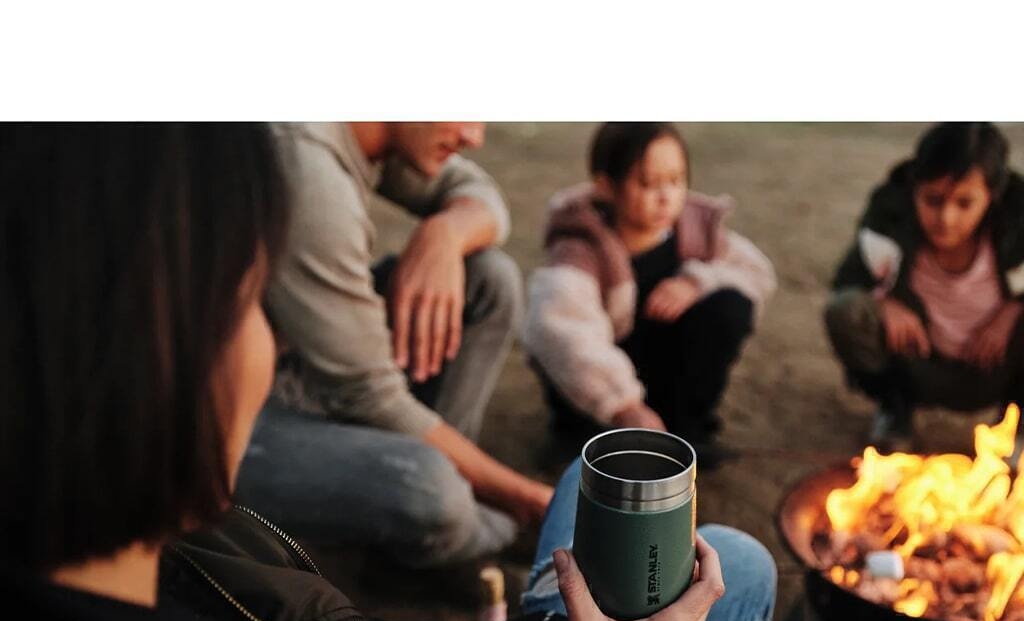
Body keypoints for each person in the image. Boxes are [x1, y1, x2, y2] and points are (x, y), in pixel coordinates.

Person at [0, 123, 776, 621]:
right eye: (252, 302)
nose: (474, 131)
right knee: (731, 564)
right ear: (150, 353)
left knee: (608, 488)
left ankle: (567, 614)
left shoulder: (192, 560)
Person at [234, 122, 553, 569]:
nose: (474, 136)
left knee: (488, 278)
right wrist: (527, 500)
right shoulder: (305, 166)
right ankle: (487, 534)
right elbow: (368, 395)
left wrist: (444, 234)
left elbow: (480, 194)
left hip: (296, 366)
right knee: (429, 487)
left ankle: (446, 520)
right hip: (216, 421)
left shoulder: (368, 131)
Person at [523, 122, 776, 468]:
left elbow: (756, 271)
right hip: (602, 386)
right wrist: (624, 406)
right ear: (606, 186)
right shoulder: (581, 248)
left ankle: (684, 433)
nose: (666, 196)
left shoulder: (695, 232)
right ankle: (584, 438)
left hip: (661, 371)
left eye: (676, 180)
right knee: (572, 364)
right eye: (647, 183)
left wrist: (695, 282)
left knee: (728, 305)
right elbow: (563, 332)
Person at [826, 122, 1024, 453]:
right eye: (933, 200)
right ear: (914, 188)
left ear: (992, 197)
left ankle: (1016, 427)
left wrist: (1014, 309)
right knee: (847, 310)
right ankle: (895, 408)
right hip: (915, 365)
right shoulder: (889, 225)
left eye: (964, 203)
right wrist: (885, 302)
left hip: (995, 368)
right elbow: (847, 283)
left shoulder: (1017, 228)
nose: (946, 218)